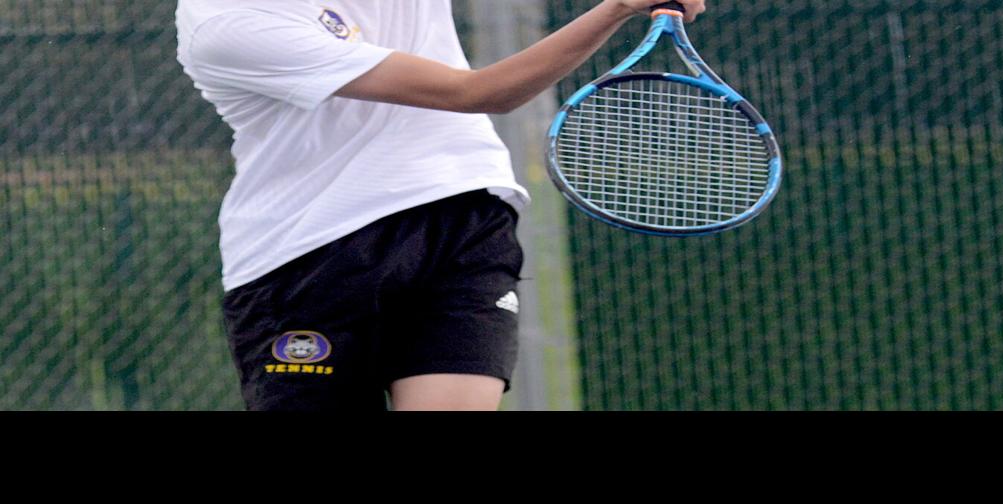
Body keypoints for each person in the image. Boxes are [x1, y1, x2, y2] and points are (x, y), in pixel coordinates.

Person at [176, 0, 706, 410]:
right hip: (305, 259)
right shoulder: (228, 25)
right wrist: (615, 8)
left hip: (463, 215)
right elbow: (477, 93)